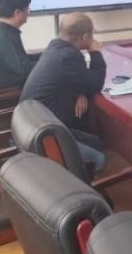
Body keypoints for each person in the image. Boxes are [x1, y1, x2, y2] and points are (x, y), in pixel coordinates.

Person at [20, 12, 107, 171]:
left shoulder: (55, 47)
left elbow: (71, 79)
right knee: (99, 158)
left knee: (97, 142)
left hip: (31, 125)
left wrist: (80, 92)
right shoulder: (68, 56)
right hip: (44, 136)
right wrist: (95, 52)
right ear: (85, 36)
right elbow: (95, 83)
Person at [0, 0, 40, 91]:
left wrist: (43, 56)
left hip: (7, 87)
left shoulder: (2, 31)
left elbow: (21, 60)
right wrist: (48, 63)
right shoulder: (4, 36)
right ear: (17, 13)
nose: (29, 12)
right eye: (27, 9)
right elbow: (23, 69)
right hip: (5, 94)